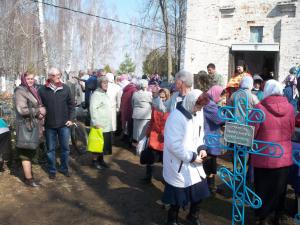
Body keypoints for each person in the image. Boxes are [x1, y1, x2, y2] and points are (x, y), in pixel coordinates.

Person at [250, 80, 295, 225]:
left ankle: (263, 217)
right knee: (280, 189)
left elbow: (251, 133)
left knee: (263, 188)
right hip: (283, 155)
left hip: (264, 155)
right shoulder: (289, 107)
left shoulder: (259, 108)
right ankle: (278, 215)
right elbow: (292, 130)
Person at [162, 89, 210, 225]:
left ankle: (193, 216)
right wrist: (192, 157)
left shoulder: (198, 113)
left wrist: (202, 148)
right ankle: (172, 220)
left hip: (193, 160)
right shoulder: (176, 117)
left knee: (200, 190)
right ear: (190, 102)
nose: (199, 109)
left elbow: (200, 135)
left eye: (201, 107)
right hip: (178, 163)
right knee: (177, 195)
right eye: (198, 106)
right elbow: (173, 145)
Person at [38, 68, 75, 179]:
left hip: (64, 124)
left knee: (65, 148)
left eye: (58, 74)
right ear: (49, 76)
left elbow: (71, 105)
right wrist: (41, 123)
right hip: (49, 126)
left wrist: (71, 119)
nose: (57, 77)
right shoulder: (42, 90)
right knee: (50, 150)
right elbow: (40, 106)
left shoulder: (66, 88)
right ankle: (52, 170)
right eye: (54, 75)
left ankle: (64, 168)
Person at [14, 71, 46, 186]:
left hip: (33, 125)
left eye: (32, 78)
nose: (31, 80)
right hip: (25, 126)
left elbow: (37, 106)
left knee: (30, 150)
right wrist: (38, 111)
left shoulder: (32, 90)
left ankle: (28, 175)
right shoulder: (20, 91)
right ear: (23, 79)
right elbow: (22, 110)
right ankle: (29, 179)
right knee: (26, 152)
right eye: (28, 79)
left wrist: (42, 111)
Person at [142, 88, 170, 183]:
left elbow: (171, 123)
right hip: (154, 137)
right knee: (150, 158)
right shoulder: (155, 107)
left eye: (164, 97)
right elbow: (152, 120)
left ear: (167, 97)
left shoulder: (170, 108)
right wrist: (148, 132)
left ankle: (167, 179)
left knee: (165, 161)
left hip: (164, 138)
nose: (162, 99)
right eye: (160, 97)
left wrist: (164, 131)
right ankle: (148, 176)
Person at [203, 85, 225, 194]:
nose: (221, 98)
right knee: (209, 162)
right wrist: (224, 111)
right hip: (209, 137)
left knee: (211, 161)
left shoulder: (208, 102)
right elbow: (219, 119)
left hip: (209, 135)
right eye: (220, 95)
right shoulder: (209, 105)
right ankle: (209, 187)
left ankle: (210, 186)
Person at [89, 76, 112, 170]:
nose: (106, 84)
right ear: (99, 84)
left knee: (103, 144)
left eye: (107, 83)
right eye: (104, 83)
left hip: (106, 124)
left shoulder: (105, 94)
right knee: (96, 143)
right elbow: (92, 108)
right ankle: (94, 161)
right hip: (98, 124)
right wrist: (95, 122)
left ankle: (101, 160)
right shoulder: (96, 94)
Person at [120, 79, 138, 147]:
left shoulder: (125, 90)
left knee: (126, 125)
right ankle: (129, 141)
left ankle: (125, 138)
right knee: (130, 126)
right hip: (131, 110)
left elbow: (121, 99)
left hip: (125, 109)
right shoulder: (134, 90)